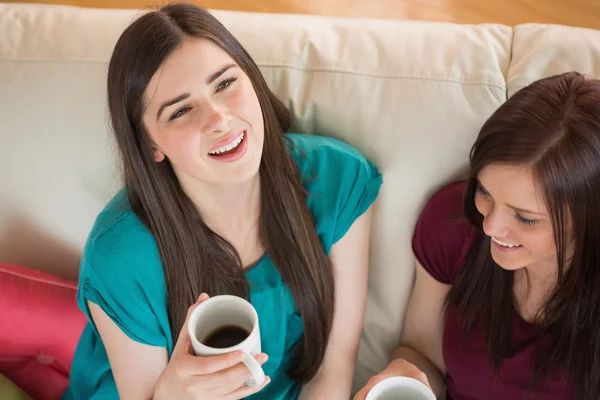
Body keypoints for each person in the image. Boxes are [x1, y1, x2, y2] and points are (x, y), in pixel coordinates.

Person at [62, 3, 382, 399]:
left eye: (225, 84)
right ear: (150, 145)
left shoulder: (337, 181)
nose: (218, 119)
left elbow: (332, 370)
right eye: (180, 110)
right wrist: (171, 394)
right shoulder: (120, 256)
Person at [355, 71, 600, 400]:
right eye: (485, 191)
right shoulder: (453, 223)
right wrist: (401, 378)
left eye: (525, 218)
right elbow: (422, 353)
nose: (490, 227)